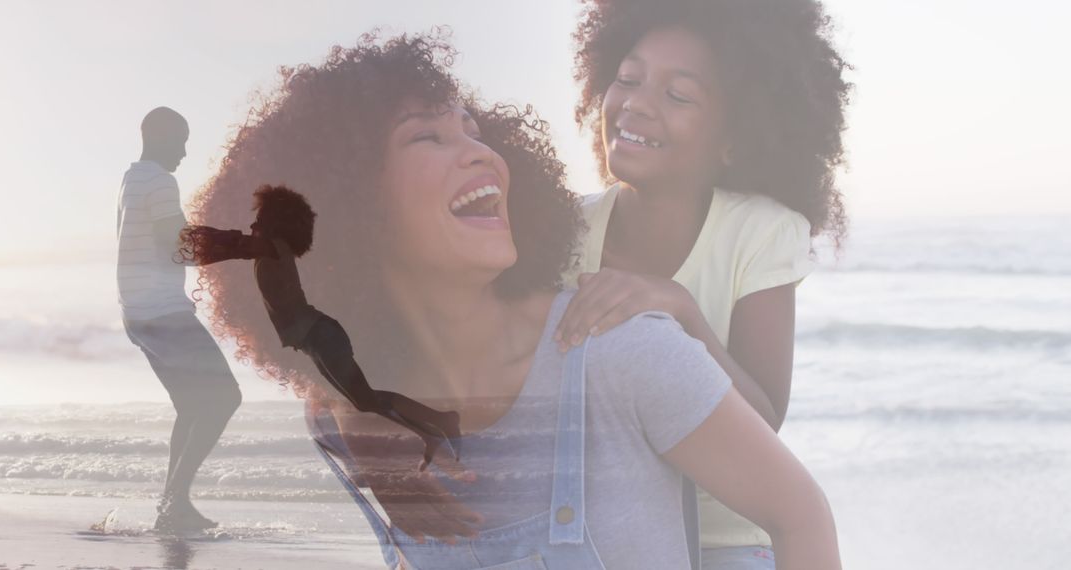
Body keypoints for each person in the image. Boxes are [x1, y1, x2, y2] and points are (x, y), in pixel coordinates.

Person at [185, 32, 840, 569]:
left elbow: (784, 476)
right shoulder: (347, 422)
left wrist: (682, 312)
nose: (481, 153)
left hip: (734, 526)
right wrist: (363, 425)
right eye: (428, 136)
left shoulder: (631, 343)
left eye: (474, 131)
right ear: (351, 206)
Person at [556, 0, 851, 567]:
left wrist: (683, 311)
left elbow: (763, 419)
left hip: (727, 543)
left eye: (678, 95)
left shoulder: (761, 232)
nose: (636, 103)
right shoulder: (561, 230)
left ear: (733, 137)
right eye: (627, 79)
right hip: (599, 537)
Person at [177, 184, 462, 469]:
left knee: (366, 398)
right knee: (365, 401)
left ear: (275, 225)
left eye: (260, 221)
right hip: (313, 341)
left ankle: (442, 421)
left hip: (322, 336)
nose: (253, 224)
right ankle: (431, 433)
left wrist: (174, 240)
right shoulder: (272, 249)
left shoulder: (274, 247)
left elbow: (230, 244)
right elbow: (230, 245)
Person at [116, 106, 242, 532]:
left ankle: (172, 506)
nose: (185, 152)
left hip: (136, 314)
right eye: (181, 141)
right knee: (225, 398)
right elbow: (181, 247)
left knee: (191, 406)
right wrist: (245, 244)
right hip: (162, 313)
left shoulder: (132, 178)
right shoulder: (160, 181)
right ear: (157, 136)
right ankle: (175, 503)